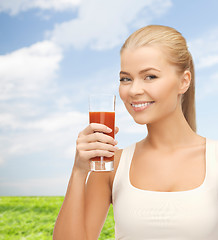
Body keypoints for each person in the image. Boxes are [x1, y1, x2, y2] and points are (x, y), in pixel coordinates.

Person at [53, 25, 218, 240]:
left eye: (150, 77)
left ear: (183, 81)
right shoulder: (111, 165)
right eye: (125, 79)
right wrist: (79, 170)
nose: (133, 90)